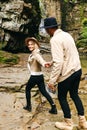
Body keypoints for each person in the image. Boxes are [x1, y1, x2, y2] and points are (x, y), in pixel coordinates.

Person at [42, 17, 87, 130]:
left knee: (62, 97)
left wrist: (52, 81)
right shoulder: (67, 35)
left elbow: (59, 62)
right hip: (77, 69)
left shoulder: (54, 39)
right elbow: (68, 52)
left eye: (46, 30)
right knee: (74, 95)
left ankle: (68, 123)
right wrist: (51, 62)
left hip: (67, 73)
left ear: (49, 29)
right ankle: (83, 122)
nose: (46, 32)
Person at [23, 37, 57, 114]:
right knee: (44, 91)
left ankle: (28, 106)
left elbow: (41, 61)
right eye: (29, 44)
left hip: (35, 76)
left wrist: (46, 63)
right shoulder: (35, 52)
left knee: (27, 89)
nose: (30, 46)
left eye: (32, 44)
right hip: (40, 76)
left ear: (36, 45)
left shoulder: (36, 54)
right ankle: (53, 107)